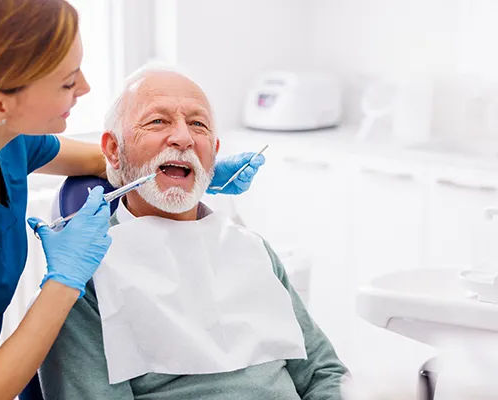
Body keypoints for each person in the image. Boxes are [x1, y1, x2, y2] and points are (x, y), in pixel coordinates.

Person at [0, 2, 264, 399]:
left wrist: (192, 170)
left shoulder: (5, 141)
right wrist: (64, 281)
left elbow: (108, 160)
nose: (85, 87)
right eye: (67, 81)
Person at [39, 68, 350, 399]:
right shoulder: (87, 278)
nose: (183, 138)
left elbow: (325, 373)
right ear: (114, 150)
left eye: (198, 124)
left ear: (213, 153)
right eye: (158, 121)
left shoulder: (252, 251)